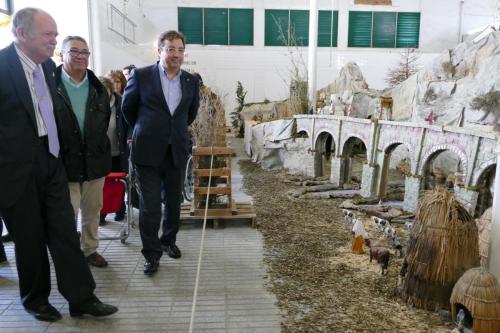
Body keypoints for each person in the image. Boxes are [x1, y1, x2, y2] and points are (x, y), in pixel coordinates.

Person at [0, 7, 117, 321]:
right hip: (14, 169)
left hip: (50, 160)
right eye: (48, 35)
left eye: (55, 34)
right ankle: (36, 300)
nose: (53, 40)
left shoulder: (47, 68)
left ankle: (81, 298)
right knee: (29, 238)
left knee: (65, 232)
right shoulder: (2, 66)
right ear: (21, 34)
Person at [122, 30, 199, 275]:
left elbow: (190, 114)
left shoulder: (190, 81)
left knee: (174, 203)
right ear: (159, 51)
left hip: (176, 149)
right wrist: (147, 129)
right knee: (150, 205)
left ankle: (168, 241)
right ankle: (151, 254)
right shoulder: (142, 76)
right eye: (170, 49)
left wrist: (173, 131)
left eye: (180, 50)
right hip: (147, 150)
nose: (176, 54)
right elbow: (128, 109)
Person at [55, 35, 111, 268]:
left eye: (85, 52)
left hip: (94, 159)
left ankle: (90, 249)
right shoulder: (51, 84)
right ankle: (67, 253)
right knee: (66, 213)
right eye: (74, 51)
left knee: (92, 210)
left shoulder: (98, 87)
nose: (80, 56)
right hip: (64, 160)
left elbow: (104, 121)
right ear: (61, 55)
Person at [98, 76, 129, 225]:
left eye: (106, 91)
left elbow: (128, 124)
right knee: (101, 184)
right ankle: (101, 213)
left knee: (118, 182)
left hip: (118, 151)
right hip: (100, 153)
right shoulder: (94, 104)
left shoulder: (121, 103)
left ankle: (119, 209)